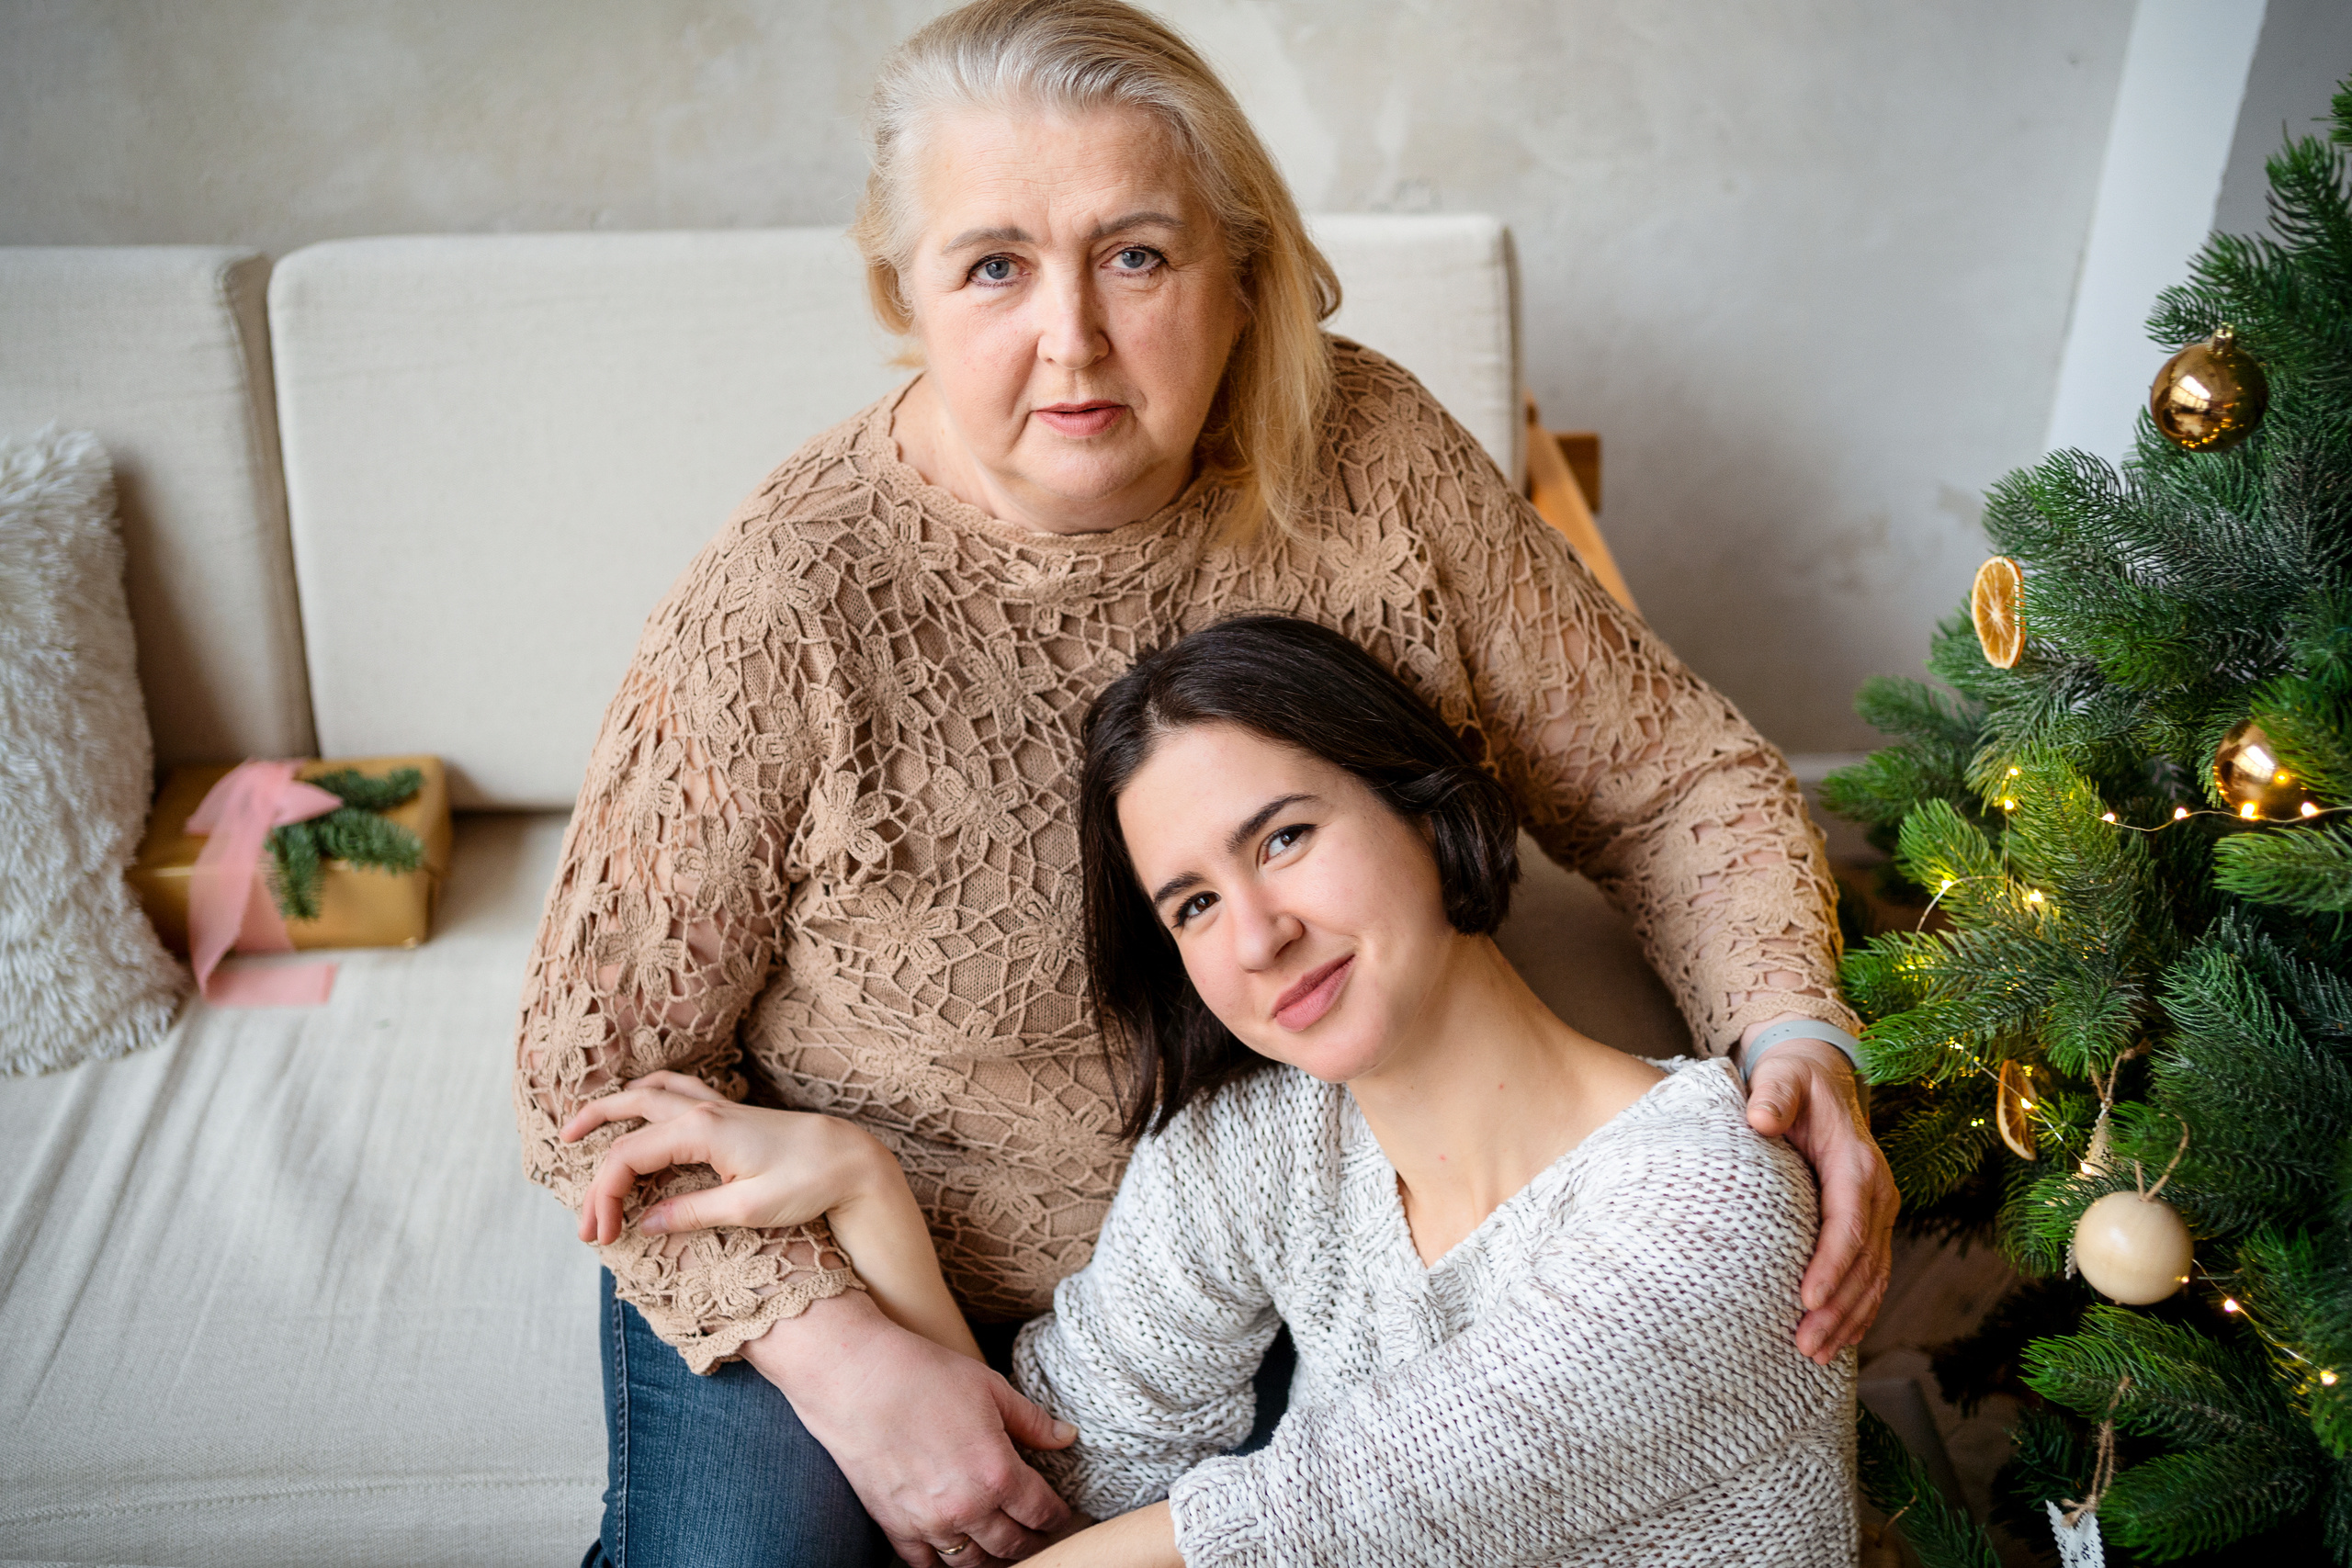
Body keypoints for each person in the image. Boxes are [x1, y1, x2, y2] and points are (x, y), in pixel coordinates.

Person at [514, 2, 1895, 1564]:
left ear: (1242, 276)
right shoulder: (787, 600)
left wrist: (1792, 1030)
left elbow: (1673, 779)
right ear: (904, 295)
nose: (1072, 341)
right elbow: (589, 1066)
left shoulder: (1364, 454)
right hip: (832, 1266)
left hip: (1266, 1231)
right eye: (992, 266)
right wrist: (851, 1352)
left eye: (1137, 256)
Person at [566, 615, 1859, 1567]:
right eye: (1192, 902)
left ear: (1434, 815)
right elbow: (1043, 1505)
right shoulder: (1261, 1146)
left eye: (1285, 838)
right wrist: (865, 1187)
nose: (1256, 935)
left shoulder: (1711, 1199)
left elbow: (1325, 1515)